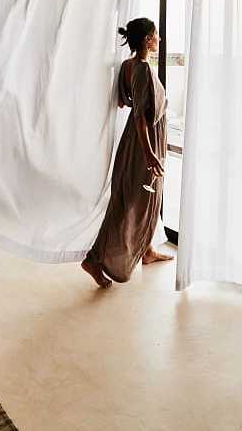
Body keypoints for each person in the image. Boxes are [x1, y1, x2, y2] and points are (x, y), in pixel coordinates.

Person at [81, 17, 174, 287]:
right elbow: (141, 118)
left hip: (132, 142)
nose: (159, 39)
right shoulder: (143, 69)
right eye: (156, 35)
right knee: (133, 203)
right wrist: (149, 154)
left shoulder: (127, 66)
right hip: (145, 143)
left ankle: (146, 250)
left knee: (139, 200)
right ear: (147, 39)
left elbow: (123, 102)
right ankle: (95, 259)